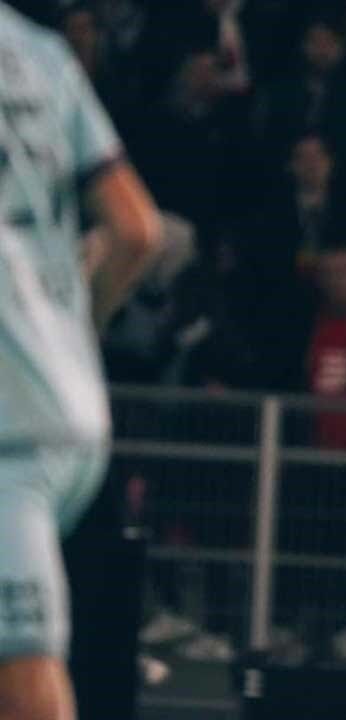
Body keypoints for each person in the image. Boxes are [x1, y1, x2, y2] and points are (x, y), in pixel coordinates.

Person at [0, 2, 163, 718]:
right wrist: (73, 331)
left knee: (22, 680)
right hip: (62, 400)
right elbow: (135, 230)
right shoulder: (39, 54)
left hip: (12, 428)